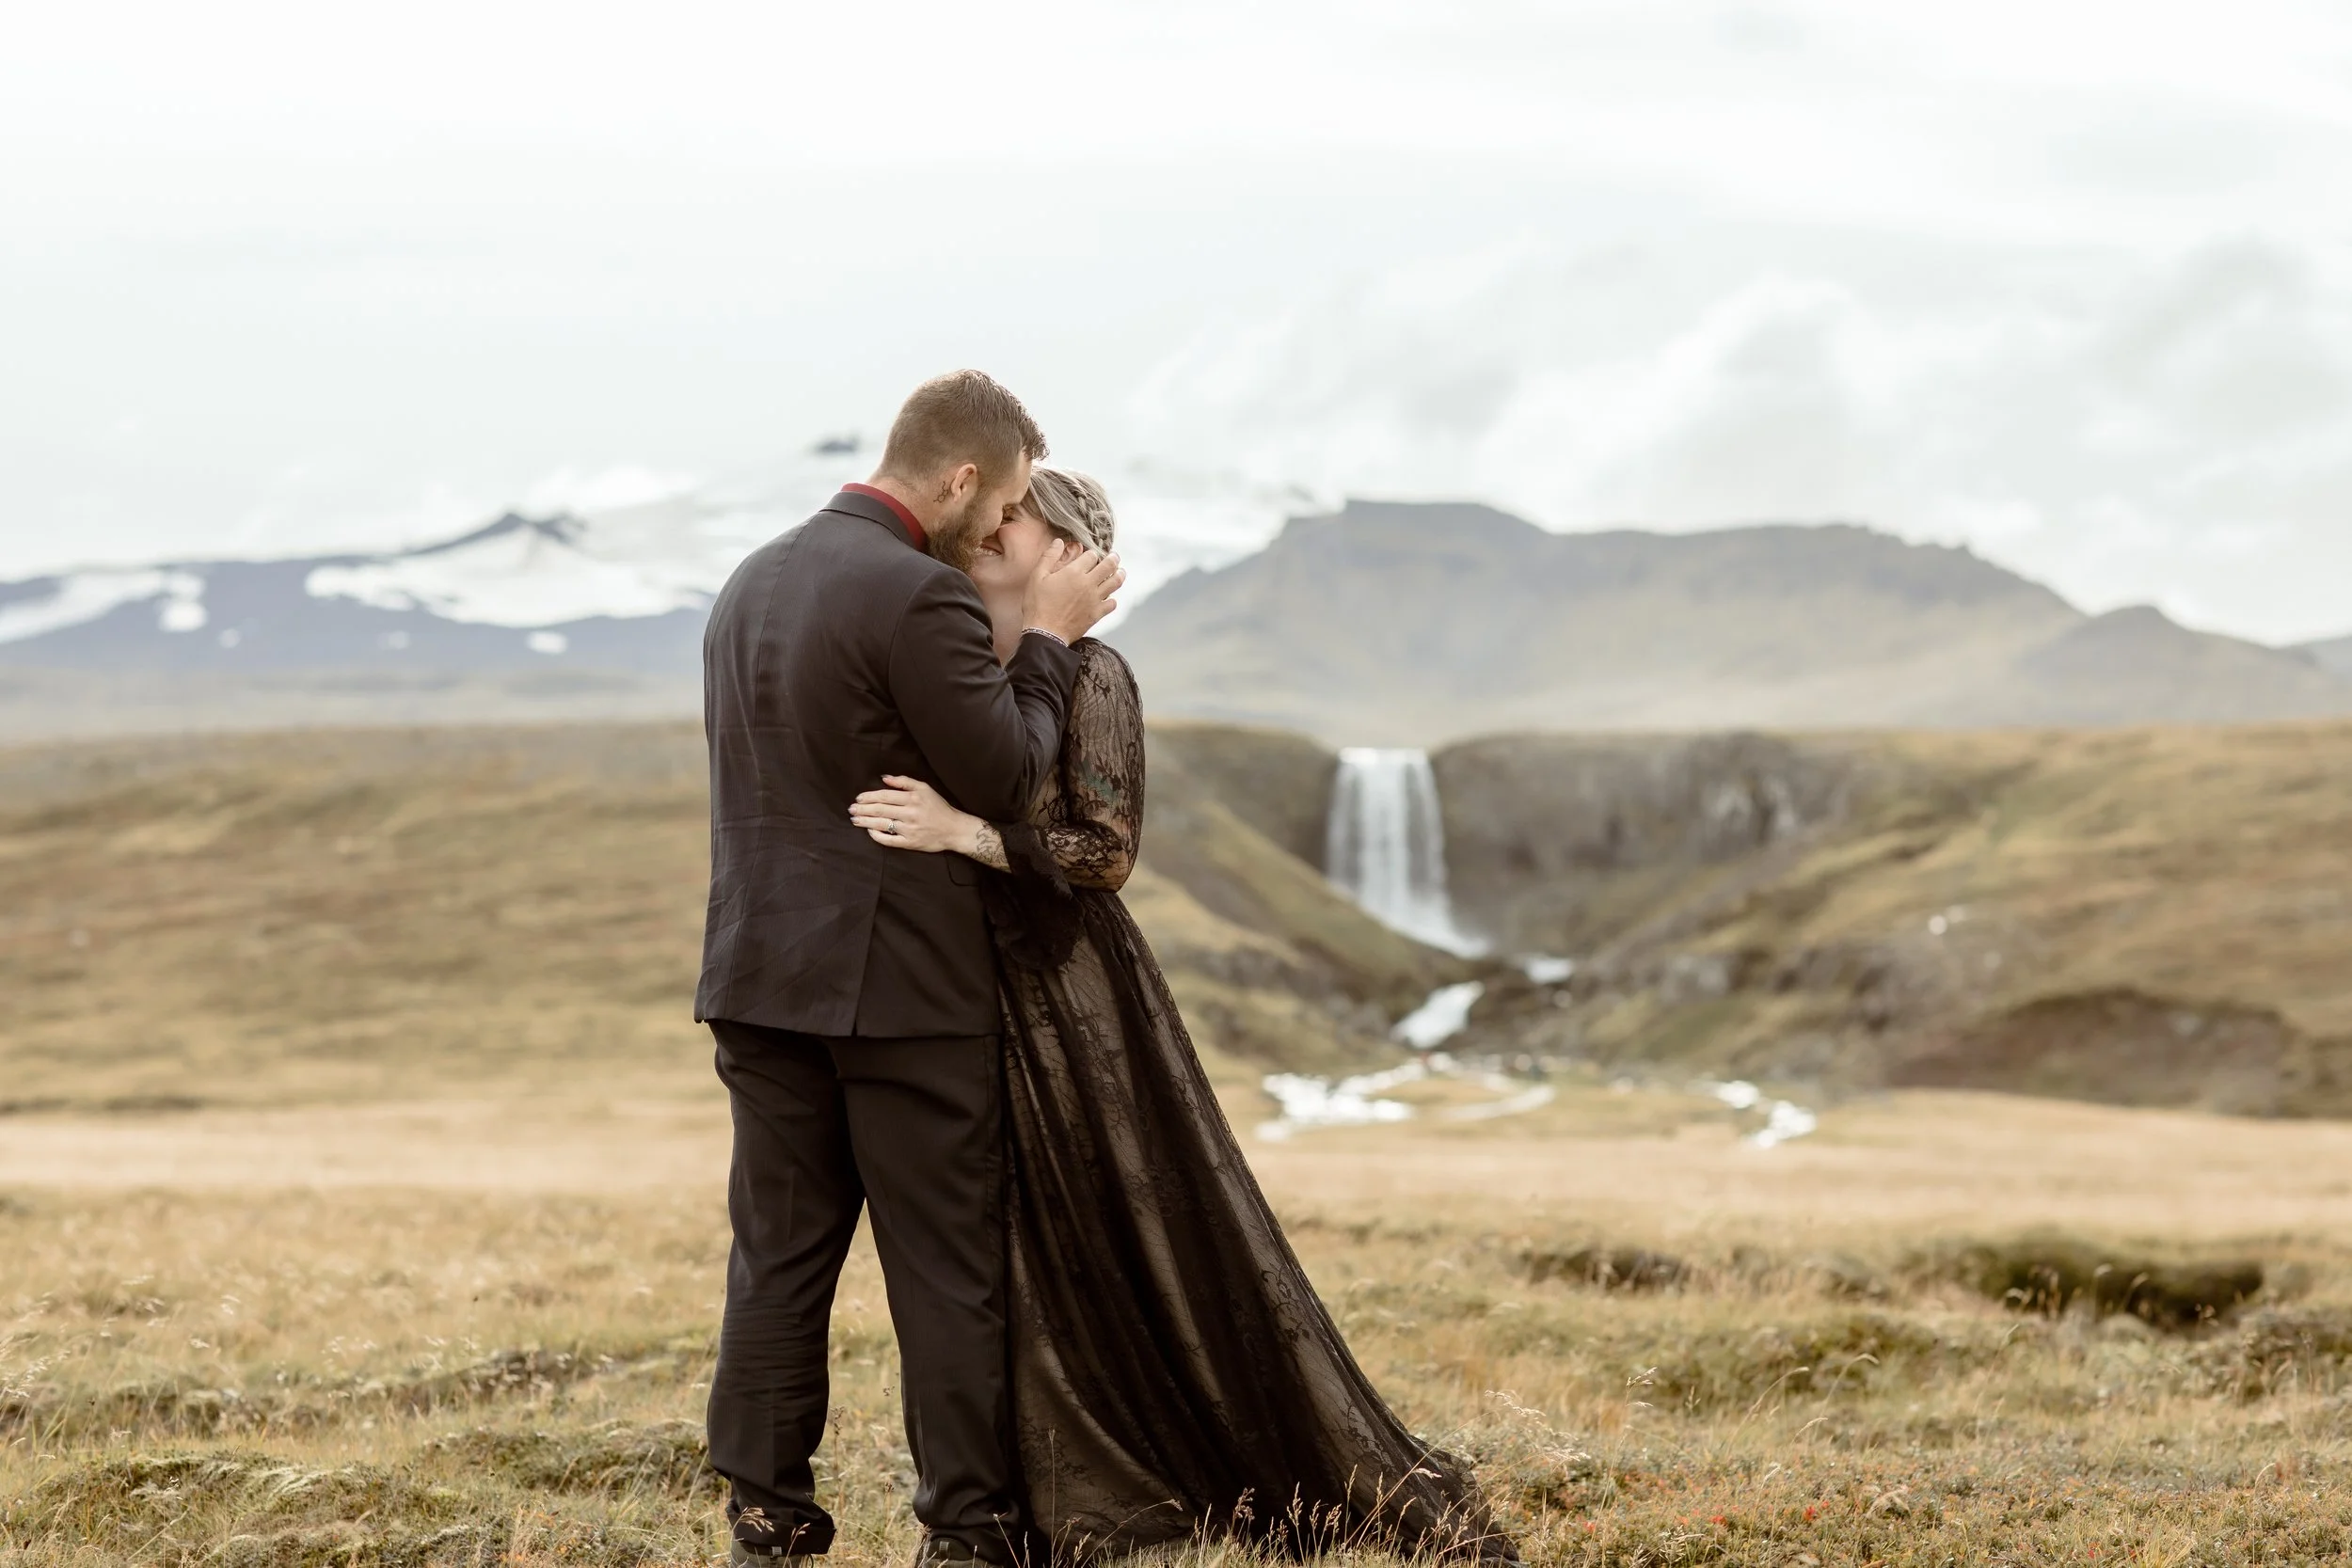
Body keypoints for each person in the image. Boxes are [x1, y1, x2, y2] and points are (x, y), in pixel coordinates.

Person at [850, 468, 1516, 1565]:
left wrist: (962, 833)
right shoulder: (962, 663)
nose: (988, 525)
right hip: (967, 986)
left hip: (1069, 991)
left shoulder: (1095, 673)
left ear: (1066, 550)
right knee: (1003, 1241)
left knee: (1124, 1224)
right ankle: (994, 1498)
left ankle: (1159, 1468)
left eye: (1013, 517)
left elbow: (1103, 850)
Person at [696, 372, 1124, 1567]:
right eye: (1004, 509)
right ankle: (967, 1529)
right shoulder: (920, 594)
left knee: (776, 1255)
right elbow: (1001, 775)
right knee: (944, 1265)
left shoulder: (750, 581)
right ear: (960, 478)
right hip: (898, 987)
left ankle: (767, 1518)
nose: (1000, 534)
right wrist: (1044, 644)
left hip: (755, 975)